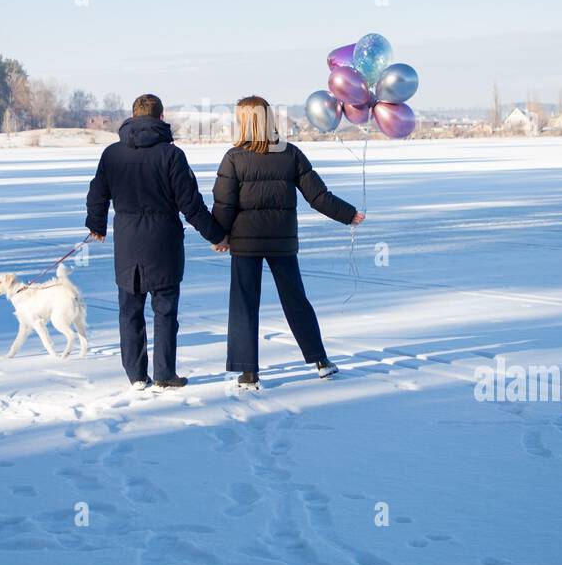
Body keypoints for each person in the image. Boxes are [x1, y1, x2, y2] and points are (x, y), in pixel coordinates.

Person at [211, 96, 364, 389]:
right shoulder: (290, 153)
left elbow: (224, 204)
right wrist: (347, 214)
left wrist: (219, 236)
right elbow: (318, 196)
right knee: (295, 300)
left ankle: (248, 373)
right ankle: (320, 361)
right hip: (282, 241)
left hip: (245, 242)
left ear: (244, 122)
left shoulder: (234, 157)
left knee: (244, 304)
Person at [85, 94, 225, 389]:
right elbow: (191, 204)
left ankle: (136, 376)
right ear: (161, 118)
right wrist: (216, 235)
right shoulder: (172, 155)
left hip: (127, 242)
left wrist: (96, 225)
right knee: (165, 311)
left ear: (132, 117)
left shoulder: (112, 154)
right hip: (162, 242)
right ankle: (164, 374)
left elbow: (97, 192)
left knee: (129, 310)